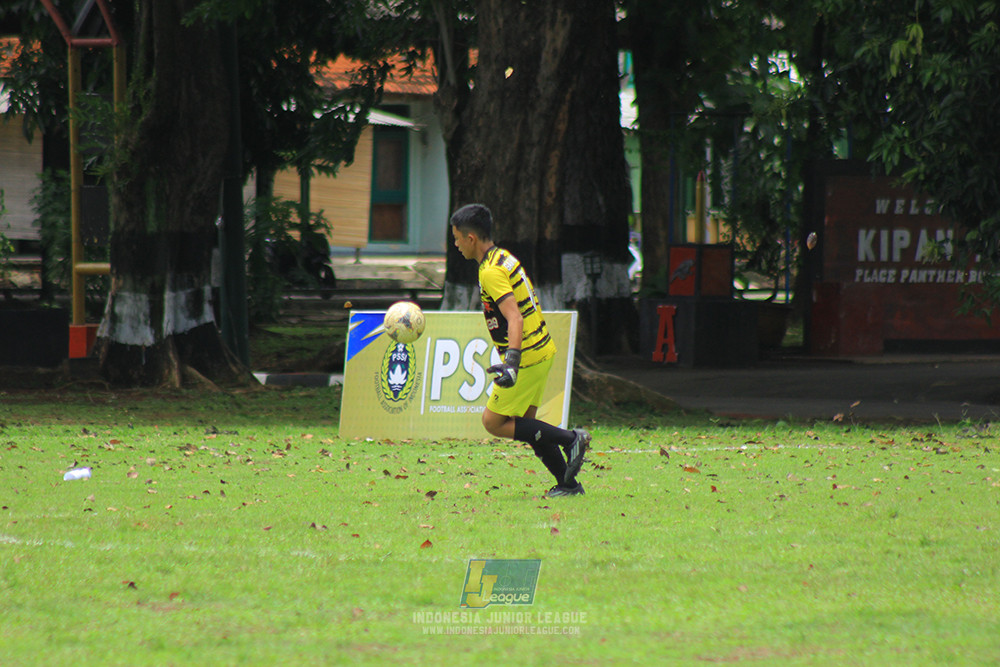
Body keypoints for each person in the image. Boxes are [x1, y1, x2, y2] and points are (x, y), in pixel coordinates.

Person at [450, 203, 590, 498]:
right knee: (528, 425)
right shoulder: (503, 257)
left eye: (457, 238)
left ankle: (571, 438)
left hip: (527, 356)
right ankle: (568, 485)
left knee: (493, 422)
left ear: (471, 238)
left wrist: (512, 362)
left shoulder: (490, 271)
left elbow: (515, 316)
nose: (456, 244)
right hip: (542, 350)